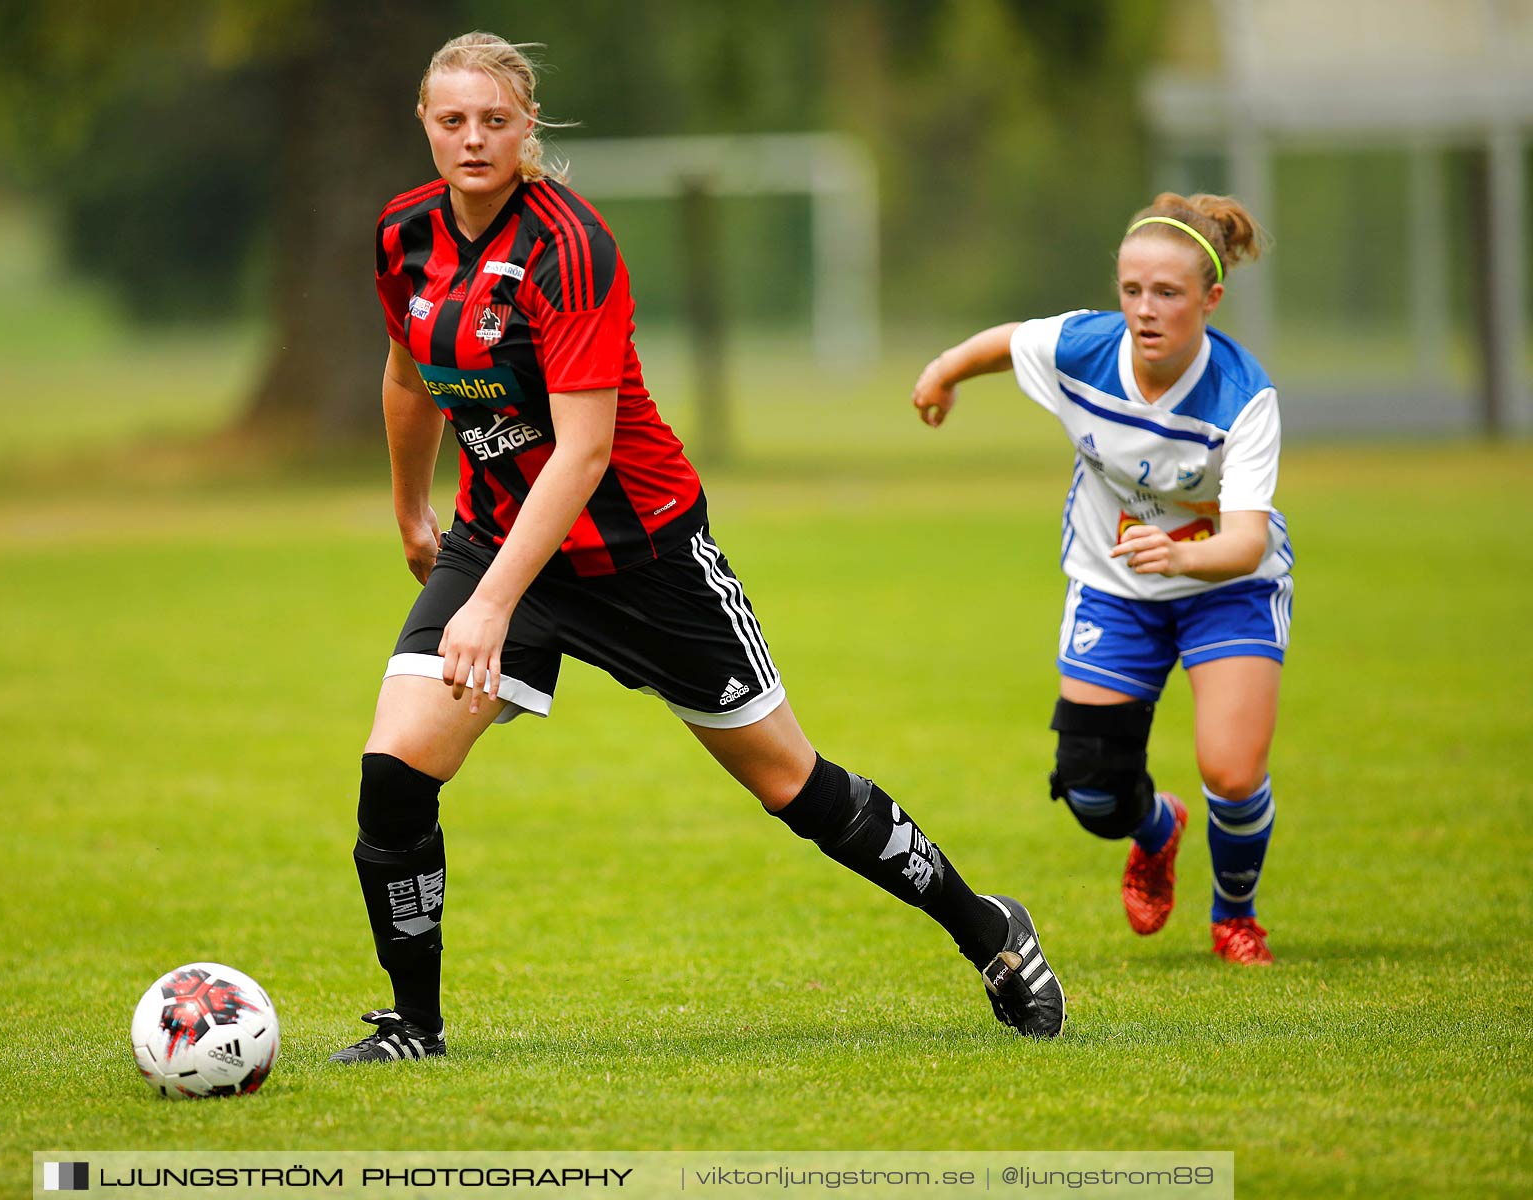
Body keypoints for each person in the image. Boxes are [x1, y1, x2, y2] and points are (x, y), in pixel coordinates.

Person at [333, 30, 1067, 1063]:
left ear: (527, 125)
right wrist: (414, 512)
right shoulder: (402, 234)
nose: (473, 139)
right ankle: (414, 1026)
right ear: (424, 122)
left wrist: (489, 605)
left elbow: (584, 453)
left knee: (793, 787)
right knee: (395, 774)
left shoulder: (569, 247)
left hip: (643, 559)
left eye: (495, 120)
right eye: (452, 120)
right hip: (502, 540)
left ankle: (989, 932)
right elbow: (411, 380)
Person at [908, 193, 1291, 966]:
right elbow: (1009, 341)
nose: (1144, 311)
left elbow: (1245, 542)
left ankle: (1235, 915)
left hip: (1226, 588)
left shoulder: (1243, 397)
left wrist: (1181, 554)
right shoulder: (1085, 348)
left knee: (1232, 769)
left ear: (1211, 299)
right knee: (1090, 791)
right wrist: (945, 372)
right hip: (1115, 587)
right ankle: (1158, 829)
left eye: (1168, 294)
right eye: (1131, 290)